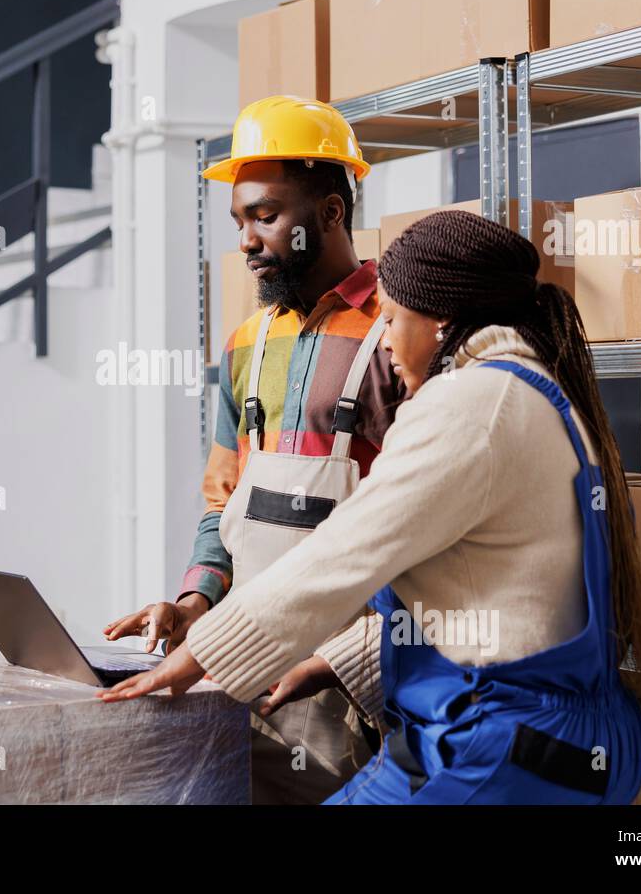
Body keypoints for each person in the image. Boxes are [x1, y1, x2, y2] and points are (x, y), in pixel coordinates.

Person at [101, 209, 641, 804]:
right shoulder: (533, 393)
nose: (389, 342)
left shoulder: (470, 404)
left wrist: (203, 655)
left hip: (502, 744)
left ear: (440, 321)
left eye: (394, 318)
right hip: (561, 742)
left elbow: (344, 554)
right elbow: (492, 596)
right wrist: (329, 661)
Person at [103, 96, 406, 803]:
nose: (244, 239)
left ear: (330, 213)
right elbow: (224, 500)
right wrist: (194, 602)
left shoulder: (396, 335)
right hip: (240, 665)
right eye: (239, 219)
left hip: (350, 684)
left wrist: (354, 659)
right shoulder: (245, 344)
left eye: (265, 215)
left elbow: (422, 528)